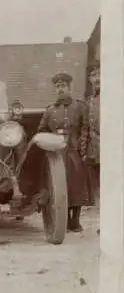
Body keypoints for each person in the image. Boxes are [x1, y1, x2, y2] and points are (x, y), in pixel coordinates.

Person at [37, 72, 89, 232]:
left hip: (74, 150)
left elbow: (85, 129)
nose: (60, 89)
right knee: (61, 185)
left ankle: (76, 220)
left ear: (69, 87)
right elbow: (41, 131)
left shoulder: (80, 107)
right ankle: (64, 220)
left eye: (63, 86)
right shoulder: (50, 110)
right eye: (58, 86)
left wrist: (82, 149)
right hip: (56, 154)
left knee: (77, 184)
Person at [86, 59, 100, 206]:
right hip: (94, 149)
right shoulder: (89, 99)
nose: (97, 78)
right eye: (94, 75)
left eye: (100, 74)